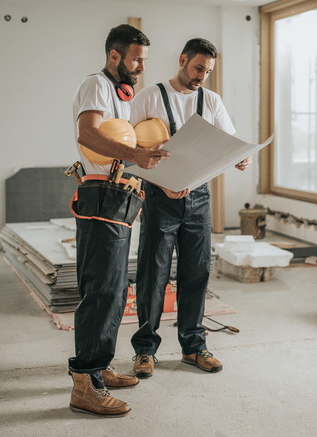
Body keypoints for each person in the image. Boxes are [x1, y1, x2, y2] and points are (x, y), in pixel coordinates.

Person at [129, 38, 251, 378]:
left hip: (199, 199)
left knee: (196, 273)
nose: (202, 76)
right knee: (153, 275)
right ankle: (144, 350)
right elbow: (128, 149)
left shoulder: (210, 100)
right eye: (198, 68)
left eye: (208, 71)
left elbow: (230, 142)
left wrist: (242, 157)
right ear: (183, 60)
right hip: (159, 198)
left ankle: (194, 347)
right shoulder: (149, 97)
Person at [68, 24, 170, 417]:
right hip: (100, 194)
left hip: (121, 194)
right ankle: (85, 383)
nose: (142, 66)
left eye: (144, 59)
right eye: (136, 59)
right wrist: (137, 158)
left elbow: (122, 140)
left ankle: (101, 367)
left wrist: (146, 153)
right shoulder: (96, 84)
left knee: (115, 289)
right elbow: (89, 134)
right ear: (115, 56)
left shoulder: (121, 94)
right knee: (101, 291)